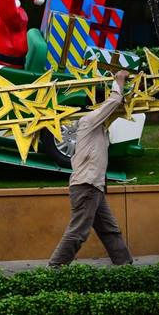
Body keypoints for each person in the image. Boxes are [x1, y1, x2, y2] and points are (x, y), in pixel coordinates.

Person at [49, 70, 133, 267]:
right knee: (78, 231)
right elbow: (112, 103)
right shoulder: (88, 122)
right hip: (86, 186)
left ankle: (124, 264)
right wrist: (118, 81)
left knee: (109, 229)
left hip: (94, 186)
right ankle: (55, 267)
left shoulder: (100, 129)